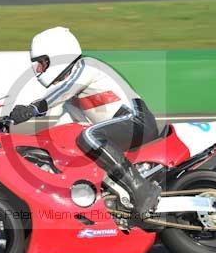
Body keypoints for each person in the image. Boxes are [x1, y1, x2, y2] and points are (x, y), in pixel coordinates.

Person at [9, 27, 161, 218]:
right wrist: (24, 146)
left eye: (42, 63)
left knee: (89, 136)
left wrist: (32, 108)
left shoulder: (88, 67)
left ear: (57, 55)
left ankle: (142, 190)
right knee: (67, 145)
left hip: (137, 122)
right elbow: (59, 130)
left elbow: (63, 91)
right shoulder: (72, 97)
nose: (39, 70)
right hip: (118, 131)